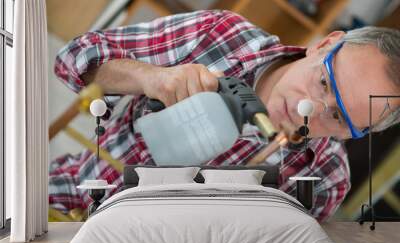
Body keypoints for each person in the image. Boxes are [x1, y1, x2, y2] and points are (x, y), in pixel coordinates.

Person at [49, 10, 400, 221]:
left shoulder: (324, 181)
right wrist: (151, 77)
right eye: (324, 82)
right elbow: (73, 58)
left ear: (359, 133)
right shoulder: (220, 36)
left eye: (338, 117)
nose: (303, 109)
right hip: (73, 191)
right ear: (325, 44)